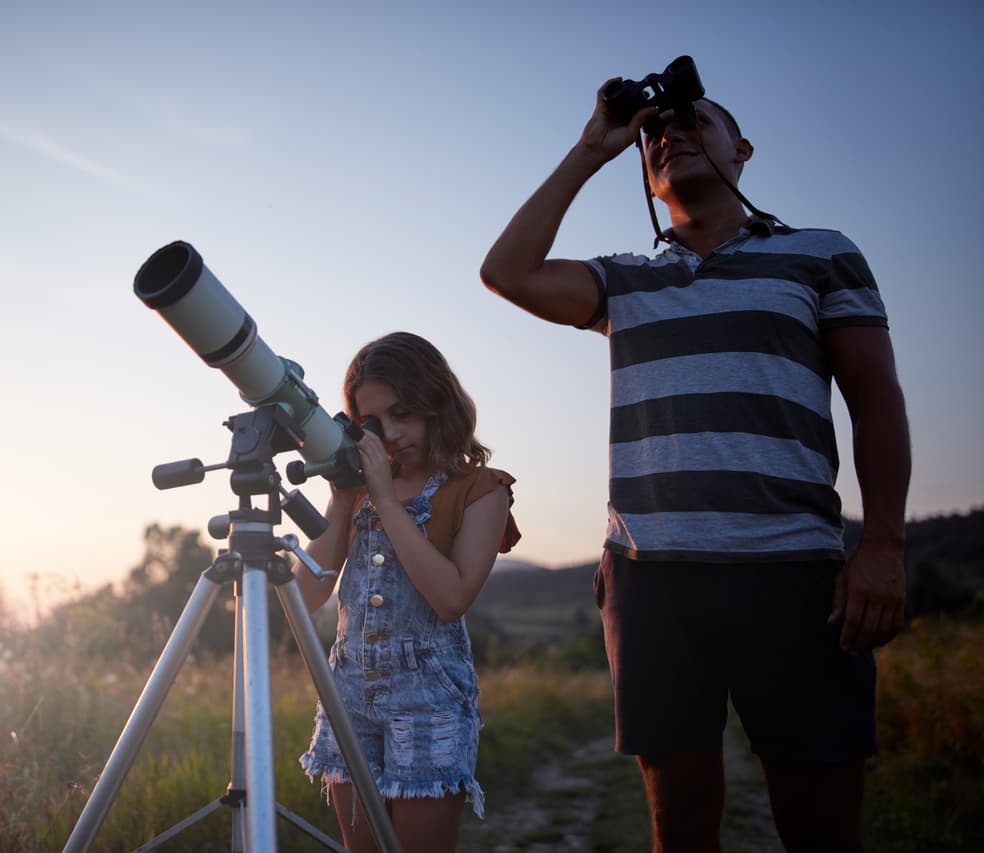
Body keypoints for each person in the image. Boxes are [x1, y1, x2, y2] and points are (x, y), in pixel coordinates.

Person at [480, 74, 911, 853]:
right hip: (654, 577)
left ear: (741, 151)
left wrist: (881, 544)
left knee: (822, 825)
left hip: (795, 573)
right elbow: (506, 271)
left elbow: (875, 400)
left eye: (692, 121)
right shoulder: (623, 280)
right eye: (655, 133)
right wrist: (592, 148)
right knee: (679, 825)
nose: (668, 133)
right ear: (643, 170)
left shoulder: (820, 256)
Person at [295, 331, 521, 853]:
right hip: (348, 695)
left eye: (405, 414)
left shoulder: (482, 490)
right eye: (375, 423)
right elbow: (307, 596)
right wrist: (339, 500)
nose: (391, 435)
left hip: (428, 702)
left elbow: (452, 598)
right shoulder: (356, 493)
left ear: (438, 406)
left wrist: (385, 502)